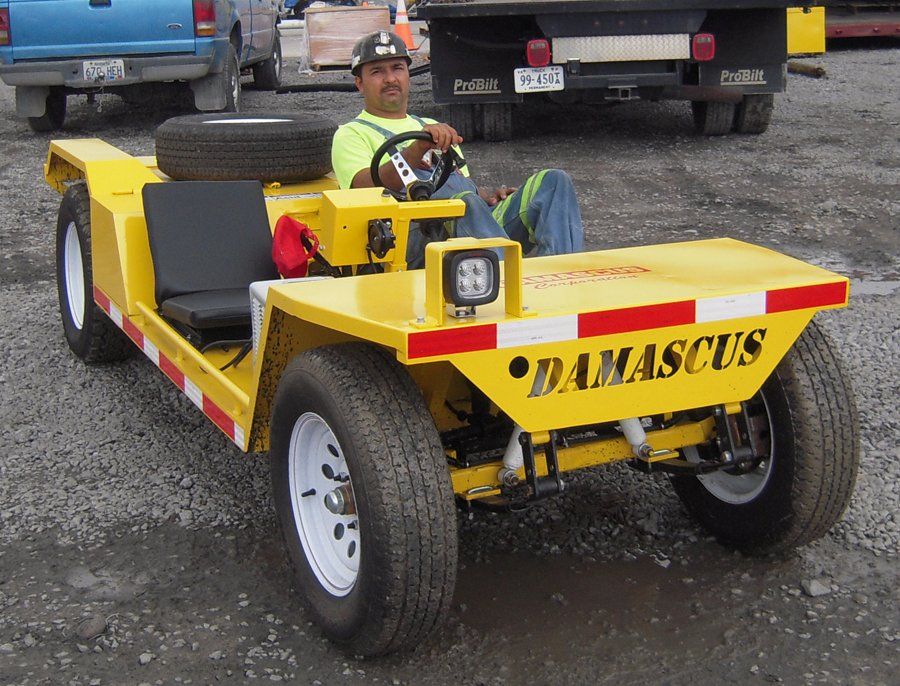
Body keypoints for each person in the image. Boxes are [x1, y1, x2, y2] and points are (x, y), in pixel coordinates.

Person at [331, 31, 584, 268]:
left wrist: (487, 194)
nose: (390, 79)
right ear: (359, 83)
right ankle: (505, 284)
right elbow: (362, 189)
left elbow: (460, 182)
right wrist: (416, 150)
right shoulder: (351, 133)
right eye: (377, 72)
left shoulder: (429, 126)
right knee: (463, 204)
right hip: (404, 239)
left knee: (553, 182)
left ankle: (558, 275)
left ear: (408, 75)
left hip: (465, 220)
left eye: (397, 68)